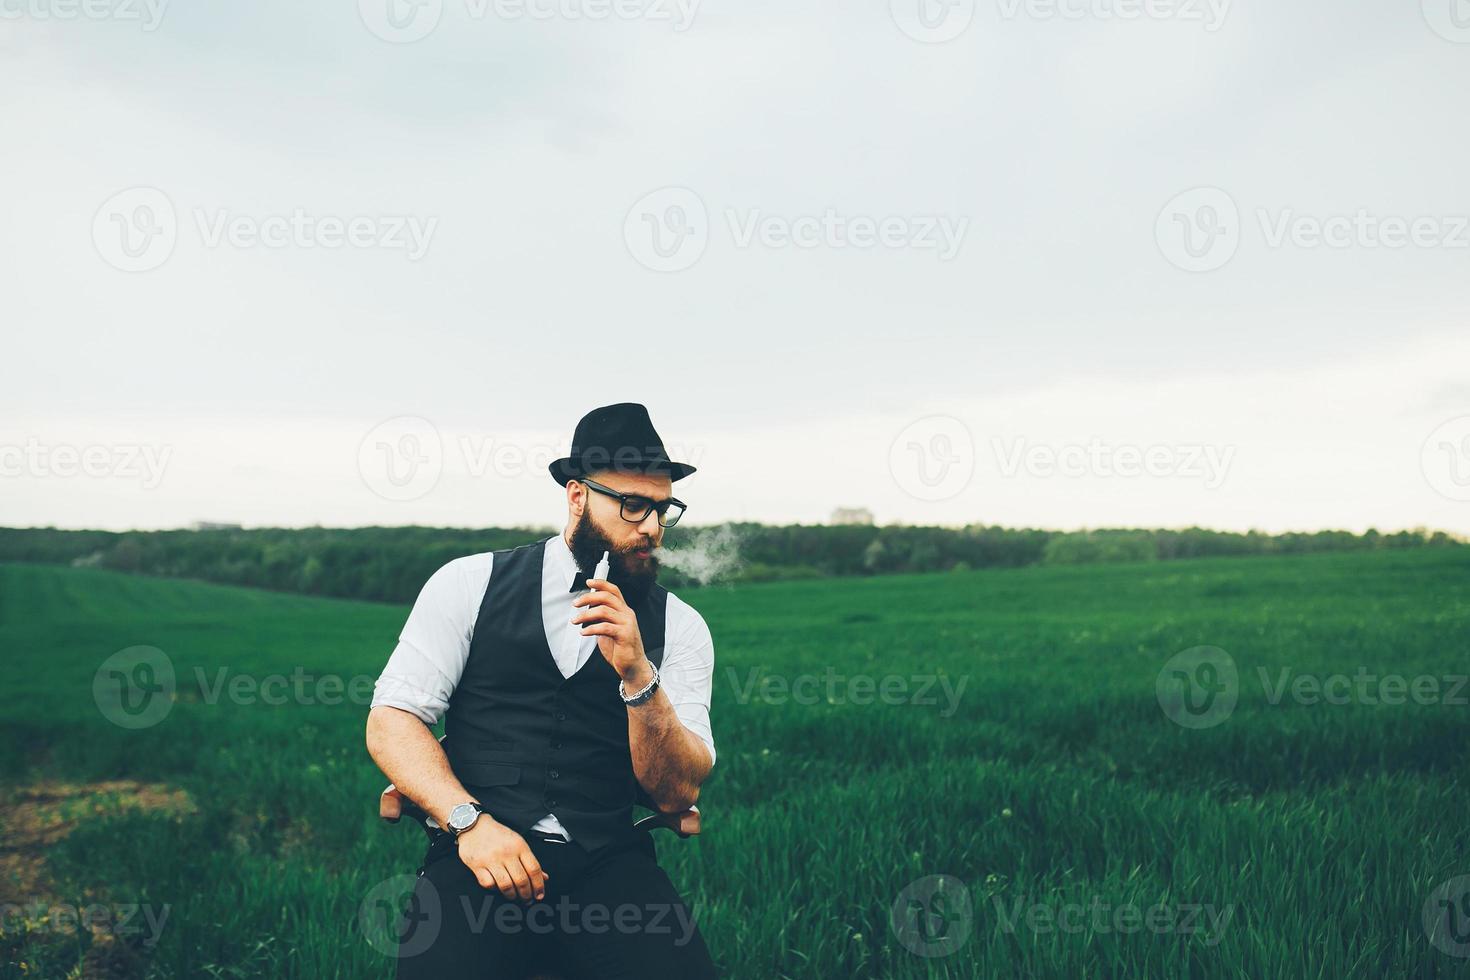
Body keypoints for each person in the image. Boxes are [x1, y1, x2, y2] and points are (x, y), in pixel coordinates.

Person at [366, 402, 719, 978]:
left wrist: (637, 675)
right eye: (633, 505)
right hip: (479, 854)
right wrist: (468, 823)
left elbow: (676, 790)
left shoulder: (681, 627)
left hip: (609, 864)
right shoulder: (467, 584)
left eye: (663, 509)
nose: (651, 528)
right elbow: (393, 719)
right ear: (577, 496)